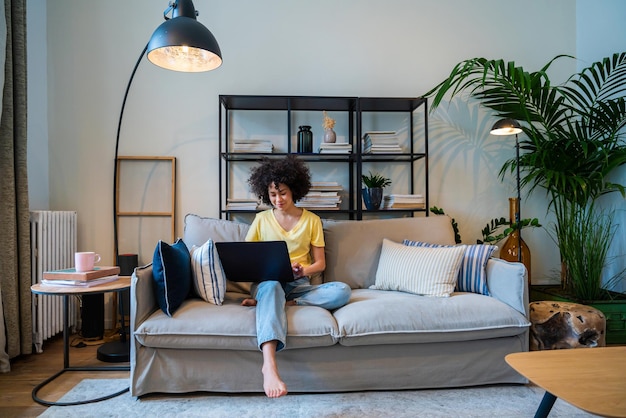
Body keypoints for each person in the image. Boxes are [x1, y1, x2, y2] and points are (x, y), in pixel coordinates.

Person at [243, 155, 351, 398]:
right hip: (268, 283)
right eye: (272, 194)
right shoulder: (261, 220)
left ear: (294, 190)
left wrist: (303, 270)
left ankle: (285, 304)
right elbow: (249, 259)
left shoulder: (312, 220)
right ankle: (269, 365)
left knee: (342, 291)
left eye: (282, 193)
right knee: (271, 287)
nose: (278, 199)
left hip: (299, 286)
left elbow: (320, 264)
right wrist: (268, 271)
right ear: (265, 194)